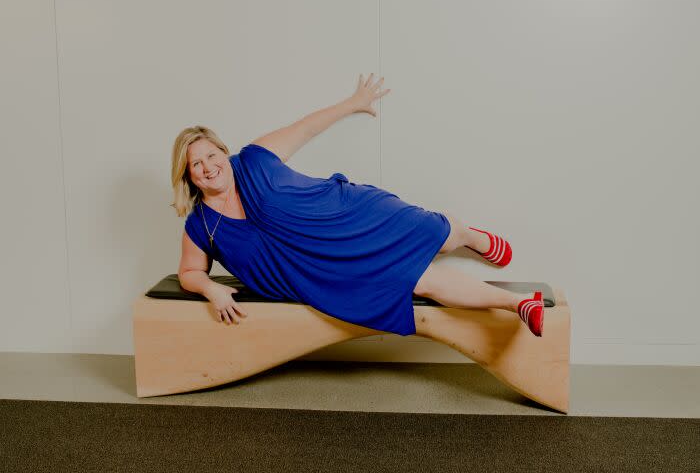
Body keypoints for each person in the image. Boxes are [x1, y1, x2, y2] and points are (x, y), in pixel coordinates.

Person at [171, 74, 544, 337]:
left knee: (432, 231)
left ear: (223, 150)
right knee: (422, 283)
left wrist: (353, 103)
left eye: (211, 154)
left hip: (348, 217)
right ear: (189, 177)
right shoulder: (201, 224)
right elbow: (189, 272)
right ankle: (518, 304)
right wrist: (211, 289)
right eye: (196, 165)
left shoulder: (253, 159)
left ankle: (465, 233)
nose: (208, 167)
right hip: (323, 274)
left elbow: (304, 128)